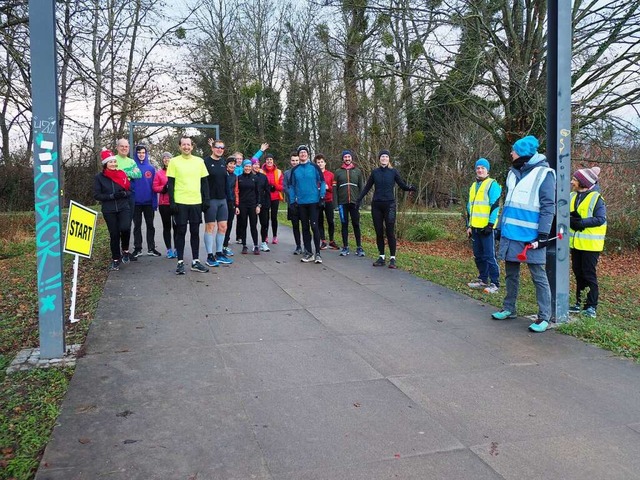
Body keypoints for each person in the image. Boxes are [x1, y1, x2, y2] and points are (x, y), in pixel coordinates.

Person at [491, 135, 556, 333]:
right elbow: (508, 204)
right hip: (510, 233)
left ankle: (544, 316)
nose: (511, 153)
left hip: (531, 236)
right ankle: (509, 308)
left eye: (514, 150)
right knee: (511, 274)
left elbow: (548, 206)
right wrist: (500, 227)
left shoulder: (545, 174)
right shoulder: (512, 173)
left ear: (522, 153)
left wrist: (543, 234)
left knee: (538, 276)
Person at [356, 149, 416, 269]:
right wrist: (358, 200)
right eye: (382, 157)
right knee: (379, 232)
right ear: (379, 159)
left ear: (389, 159)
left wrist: (410, 188)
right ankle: (381, 257)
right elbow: (367, 187)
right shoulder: (375, 172)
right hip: (377, 205)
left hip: (390, 205)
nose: (384, 158)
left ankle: (392, 259)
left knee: (390, 231)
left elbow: (402, 185)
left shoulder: (393, 172)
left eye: (386, 157)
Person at [167, 136, 210, 274]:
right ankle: (180, 262)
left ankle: (195, 261)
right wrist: (172, 202)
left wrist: (206, 200)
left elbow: (204, 182)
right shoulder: (173, 161)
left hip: (196, 202)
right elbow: (170, 184)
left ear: (192, 147)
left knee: (195, 232)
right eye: (183, 144)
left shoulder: (199, 161)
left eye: (188, 145)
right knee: (180, 232)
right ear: (180, 146)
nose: (186, 147)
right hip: (180, 202)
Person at [569, 166, 607, 318]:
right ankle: (579, 303)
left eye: (575, 180)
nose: (572, 182)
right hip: (576, 243)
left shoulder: (597, 198)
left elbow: (600, 219)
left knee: (589, 274)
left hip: (591, 245)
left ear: (583, 182)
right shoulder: (573, 195)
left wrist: (581, 223)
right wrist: (570, 220)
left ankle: (591, 306)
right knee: (578, 273)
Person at [466, 158, 502, 293]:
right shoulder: (473, 186)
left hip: (486, 228)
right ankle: (482, 279)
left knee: (489, 256)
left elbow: (495, 206)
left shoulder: (492, 184)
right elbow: (470, 207)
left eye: (483, 168)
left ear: (487, 170)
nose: (480, 170)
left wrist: (491, 224)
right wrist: (469, 225)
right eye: (478, 168)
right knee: (478, 255)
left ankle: (495, 283)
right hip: (475, 227)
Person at [93, 149, 132, 270]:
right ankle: (115, 259)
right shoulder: (99, 178)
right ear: (105, 164)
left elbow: (130, 191)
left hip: (123, 207)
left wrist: (124, 194)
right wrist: (111, 196)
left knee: (125, 228)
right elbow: (96, 195)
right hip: (109, 210)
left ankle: (125, 250)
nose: (113, 164)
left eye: (115, 161)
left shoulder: (122, 174)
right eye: (110, 162)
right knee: (114, 234)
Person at [288, 145, 326, 264]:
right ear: (298, 155)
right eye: (301, 153)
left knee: (314, 227)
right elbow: (291, 186)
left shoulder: (314, 167)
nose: (303, 154)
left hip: (314, 202)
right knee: (304, 228)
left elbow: (323, 181)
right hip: (301, 203)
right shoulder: (295, 170)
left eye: (305, 152)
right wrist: (293, 201)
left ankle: (318, 253)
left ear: (308, 154)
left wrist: (321, 196)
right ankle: (308, 252)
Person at [202, 138, 233, 267]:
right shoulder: (205, 162)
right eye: (217, 147)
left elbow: (226, 182)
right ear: (212, 148)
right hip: (211, 200)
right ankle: (209, 255)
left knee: (223, 227)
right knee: (210, 227)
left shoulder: (223, 162)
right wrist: (205, 200)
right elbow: (202, 182)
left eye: (222, 147)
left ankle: (219, 253)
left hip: (222, 200)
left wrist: (229, 199)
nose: (219, 149)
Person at [114, 138, 141, 262]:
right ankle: (116, 253)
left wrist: (123, 172)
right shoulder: (113, 160)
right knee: (117, 226)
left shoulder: (131, 161)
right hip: (117, 195)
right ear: (117, 147)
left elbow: (138, 174)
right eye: (122, 146)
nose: (124, 148)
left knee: (127, 224)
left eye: (126, 147)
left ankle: (125, 250)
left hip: (130, 195)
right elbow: (113, 175)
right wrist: (128, 173)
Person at [334, 149, 365, 257]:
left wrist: (361, 202)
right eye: (345, 157)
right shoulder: (338, 172)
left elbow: (362, 188)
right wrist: (336, 204)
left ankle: (359, 247)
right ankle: (345, 247)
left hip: (355, 202)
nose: (347, 159)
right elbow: (335, 189)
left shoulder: (357, 171)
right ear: (343, 159)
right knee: (344, 225)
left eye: (349, 157)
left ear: (351, 158)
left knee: (356, 224)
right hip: (342, 203)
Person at [131, 145, 160, 258]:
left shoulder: (151, 168)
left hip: (148, 203)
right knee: (137, 226)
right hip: (136, 203)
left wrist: (154, 202)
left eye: (143, 152)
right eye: (139, 152)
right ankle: (138, 248)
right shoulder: (132, 167)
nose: (141, 154)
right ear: (136, 154)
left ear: (146, 154)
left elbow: (154, 186)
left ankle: (151, 248)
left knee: (150, 226)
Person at [234, 159, 262, 254]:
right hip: (242, 205)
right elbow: (236, 192)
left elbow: (258, 193)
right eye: (246, 166)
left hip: (253, 205)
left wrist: (258, 205)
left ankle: (255, 245)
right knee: (243, 225)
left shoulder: (255, 178)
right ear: (243, 167)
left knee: (253, 225)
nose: (248, 168)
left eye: (249, 166)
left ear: (251, 167)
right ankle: (244, 245)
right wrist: (236, 206)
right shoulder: (239, 178)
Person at [152, 152, 176, 258]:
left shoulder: (176, 171)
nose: (166, 160)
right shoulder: (159, 173)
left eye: (168, 158)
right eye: (165, 158)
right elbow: (154, 187)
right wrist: (163, 189)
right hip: (164, 204)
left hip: (176, 202)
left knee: (177, 227)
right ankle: (169, 249)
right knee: (167, 227)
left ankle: (177, 248)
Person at [314, 154, 339, 250]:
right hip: (318, 200)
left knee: (330, 221)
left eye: (321, 162)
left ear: (325, 163)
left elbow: (334, 188)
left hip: (329, 200)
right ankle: (323, 241)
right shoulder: (315, 174)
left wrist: (328, 187)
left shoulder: (331, 175)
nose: (320, 164)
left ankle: (332, 240)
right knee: (319, 221)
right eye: (318, 162)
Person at [262, 153, 284, 245]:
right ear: (265, 161)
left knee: (274, 217)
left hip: (275, 197)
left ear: (273, 161)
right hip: (265, 197)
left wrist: (275, 186)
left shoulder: (278, 172)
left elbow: (282, 186)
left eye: (271, 159)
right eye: (267, 160)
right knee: (265, 218)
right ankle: (265, 236)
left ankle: (275, 236)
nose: (269, 161)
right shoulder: (261, 171)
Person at [283, 151, 302, 254]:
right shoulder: (287, 173)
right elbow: (285, 187)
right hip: (292, 203)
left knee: (305, 225)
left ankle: (307, 246)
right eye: (293, 160)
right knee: (295, 225)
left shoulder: (303, 171)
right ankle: (298, 246)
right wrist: (292, 196)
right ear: (290, 161)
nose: (295, 162)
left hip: (303, 203)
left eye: (296, 160)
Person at [252, 159, 272, 251]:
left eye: (257, 164)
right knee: (253, 224)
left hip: (263, 204)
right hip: (252, 203)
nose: (256, 166)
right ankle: (254, 243)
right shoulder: (248, 177)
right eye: (254, 164)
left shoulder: (263, 177)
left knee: (264, 224)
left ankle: (264, 242)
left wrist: (267, 203)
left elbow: (267, 191)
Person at [222, 155, 238, 256]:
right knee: (222, 225)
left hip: (231, 202)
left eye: (234, 164)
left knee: (229, 224)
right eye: (230, 163)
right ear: (226, 164)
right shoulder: (223, 174)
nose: (232, 165)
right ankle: (220, 245)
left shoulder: (235, 176)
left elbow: (236, 191)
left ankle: (225, 245)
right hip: (222, 201)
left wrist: (236, 205)